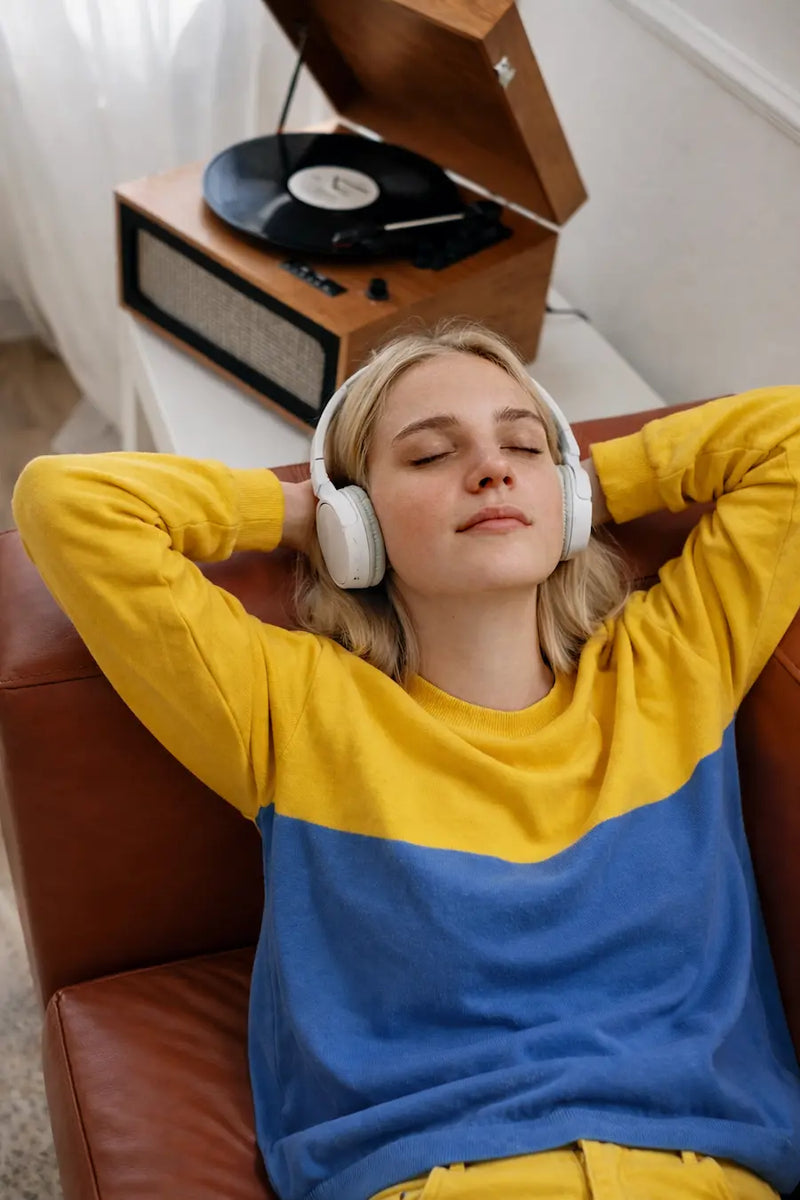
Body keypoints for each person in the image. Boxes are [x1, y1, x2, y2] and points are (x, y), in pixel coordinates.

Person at [12, 319, 800, 1200]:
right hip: (437, 1181)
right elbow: (66, 503)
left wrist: (599, 483)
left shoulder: (674, 661)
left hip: (700, 1179)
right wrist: (297, 513)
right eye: (429, 457)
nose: (493, 469)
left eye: (524, 445)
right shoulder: (298, 710)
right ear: (358, 519)